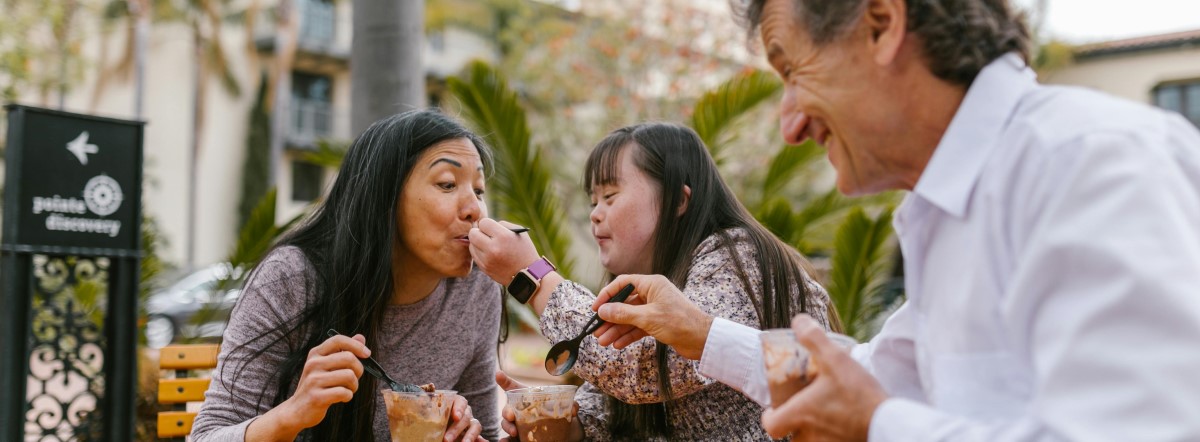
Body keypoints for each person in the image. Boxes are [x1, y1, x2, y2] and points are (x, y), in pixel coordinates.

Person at [589, 0, 1200, 440]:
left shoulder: (1090, 161)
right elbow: (880, 373)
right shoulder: (951, 209)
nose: (791, 124)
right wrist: (697, 330)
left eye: (793, 72)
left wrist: (876, 425)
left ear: (882, 24)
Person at [468, 122, 838, 440]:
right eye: (593, 200)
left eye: (610, 196)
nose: (595, 214)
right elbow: (622, 408)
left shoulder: (741, 258)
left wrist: (533, 277)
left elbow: (645, 368)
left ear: (678, 200)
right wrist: (566, 422)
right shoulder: (653, 280)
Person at [191, 109, 500, 441]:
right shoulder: (292, 280)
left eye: (479, 190)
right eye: (448, 184)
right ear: (386, 197)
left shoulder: (477, 290)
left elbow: (486, 432)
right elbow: (206, 436)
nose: (475, 209)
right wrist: (293, 414)